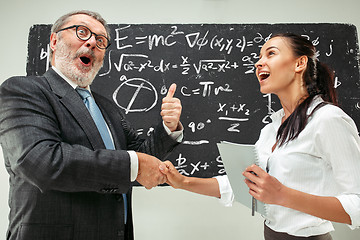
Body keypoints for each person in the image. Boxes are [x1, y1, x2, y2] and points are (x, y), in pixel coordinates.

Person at [0, 10, 183, 240]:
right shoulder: (23, 90)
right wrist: (134, 164)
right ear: (54, 41)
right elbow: (41, 161)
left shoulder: (106, 107)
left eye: (100, 40)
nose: (92, 43)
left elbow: (139, 157)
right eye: (82, 32)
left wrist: (168, 128)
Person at [160, 33, 360, 239]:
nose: (258, 63)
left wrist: (283, 195)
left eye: (270, 54)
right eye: (259, 56)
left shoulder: (327, 120)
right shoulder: (272, 128)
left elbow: (357, 203)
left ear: (300, 63)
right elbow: (242, 184)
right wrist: (183, 182)